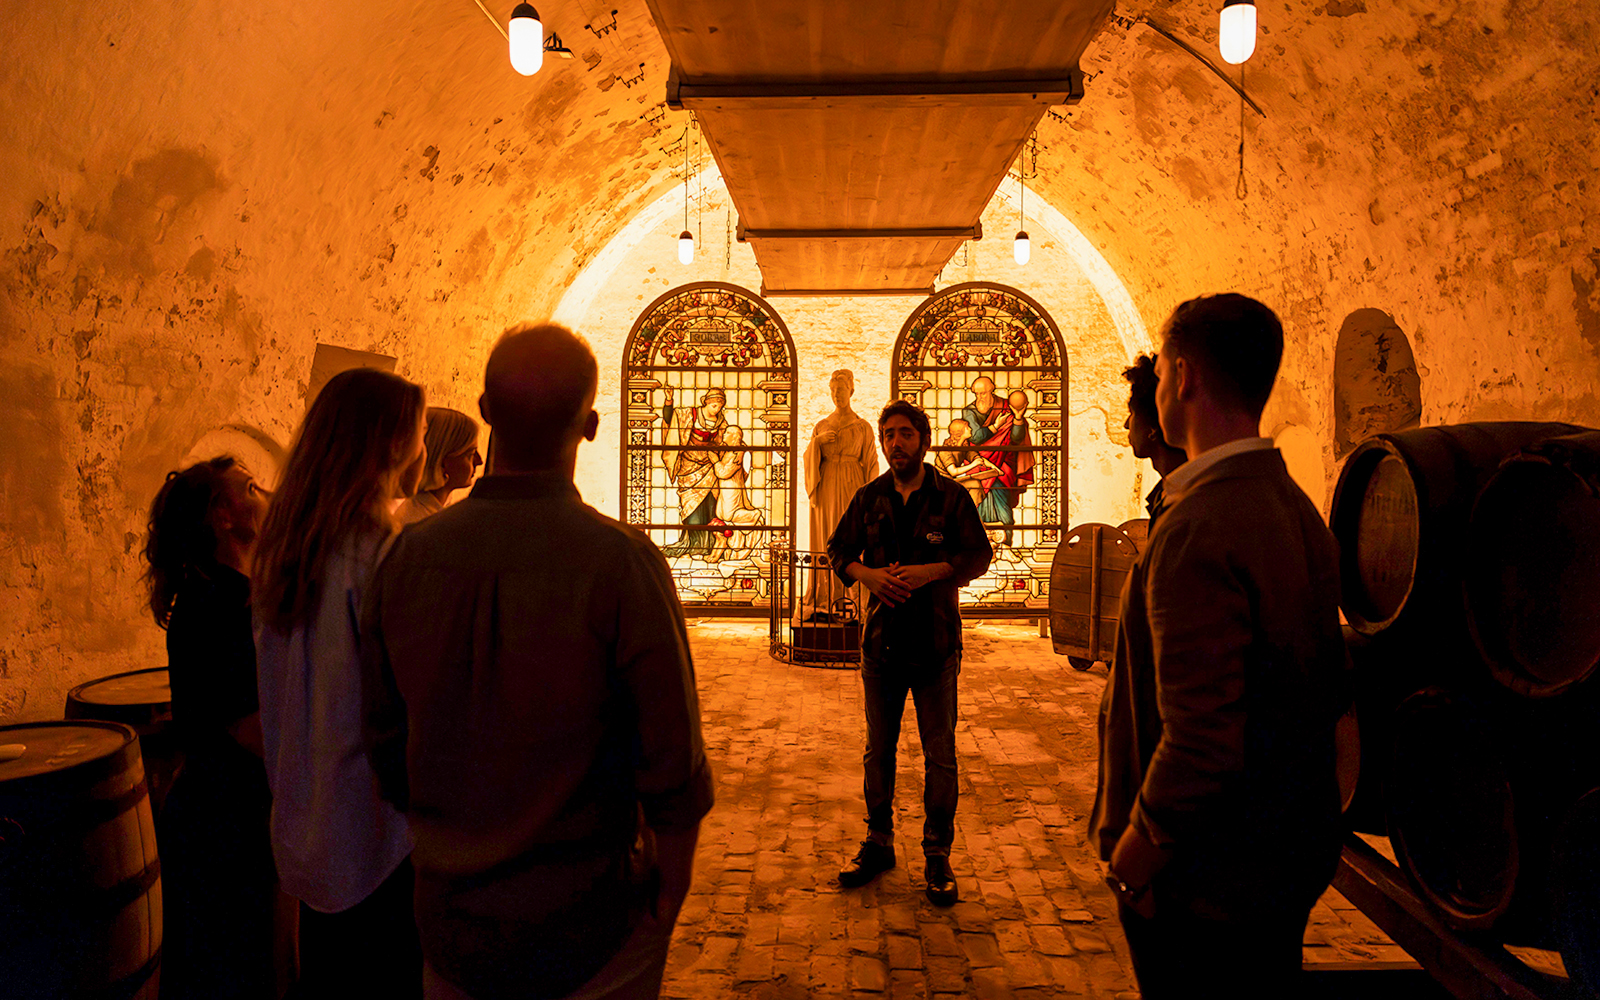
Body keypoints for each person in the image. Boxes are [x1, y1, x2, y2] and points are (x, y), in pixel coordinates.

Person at [361, 323, 715, 1000]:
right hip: (591, 922)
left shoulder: (406, 557)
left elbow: (383, 740)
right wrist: (670, 890)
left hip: (452, 921)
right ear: (590, 424)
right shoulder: (621, 563)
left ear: (486, 414)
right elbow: (672, 757)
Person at [1090, 294, 1347, 998]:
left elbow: (1201, 739)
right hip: (1281, 851)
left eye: (1165, 375)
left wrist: (1135, 854)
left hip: (1206, 874)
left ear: (1185, 376)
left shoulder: (1200, 525)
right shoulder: (1291, 505)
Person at [253, 368, 427, 999]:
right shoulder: (380, 553)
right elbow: (407, 699)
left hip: (308, 822)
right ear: (390, 446)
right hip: (378, 838)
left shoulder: (287, 548)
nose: (423, 448)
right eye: (419, 434)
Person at [827, 399, 992, 905]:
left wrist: (933, 571)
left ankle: (937, 854)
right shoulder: (868, 497)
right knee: (880, 750)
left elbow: (978, 556)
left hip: (936, 645)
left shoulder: (952, 497)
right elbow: (839, 552)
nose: (896, 443)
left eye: (905, 434)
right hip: (881, 647)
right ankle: (878, 843)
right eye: (888, 435)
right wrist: (867, 575)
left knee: (939, 753)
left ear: (922, 439)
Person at [144, 456, 287, 999]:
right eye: (251, 487)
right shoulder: (215, 605)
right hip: (223, 824)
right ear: (223, 517)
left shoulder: (238, 594)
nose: (267, 491)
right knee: (224, 975)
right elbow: (252, 729)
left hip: (233, 814)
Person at [801, 370, 878, 620]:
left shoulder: (862, 427)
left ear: (851, 392)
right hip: (826, 485)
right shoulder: (821, 426)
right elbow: (810, 458)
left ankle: (854, 599)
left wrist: (873, 498)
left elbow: (871, 461)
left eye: (842, 391)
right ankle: (825, 598)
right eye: (834, 391)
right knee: (827, 535)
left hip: (853, 483)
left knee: (853, 534)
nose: (837, 396)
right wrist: (817, 443)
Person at [661, 388, 730, 558]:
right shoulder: (687, 414)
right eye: (714, 405)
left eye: (720, 406)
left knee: (711, 506)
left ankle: (709, 545)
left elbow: (726, 442)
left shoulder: (721, 422)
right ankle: (693, 544)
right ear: (706, 402)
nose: (717, 409)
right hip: (689, 467)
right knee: (691, 508)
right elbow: (670, 423)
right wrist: (669, 401)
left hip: (709, 467)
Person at [1121, 354, 1186, 524]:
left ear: (1153, 428)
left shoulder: (1187, 503)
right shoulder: (1165, 495)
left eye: (1132, 413)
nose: (1126, 424)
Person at [398, 407, 483, 525]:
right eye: (471, 454)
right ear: (442, 462)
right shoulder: (418, 522)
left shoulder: (435, 512)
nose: (480, 461)